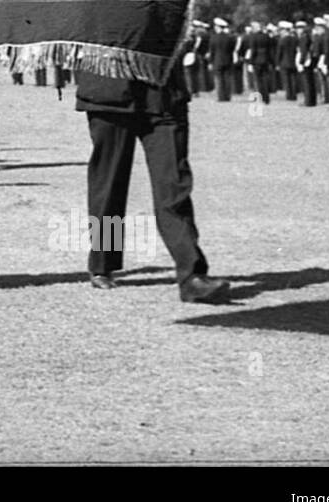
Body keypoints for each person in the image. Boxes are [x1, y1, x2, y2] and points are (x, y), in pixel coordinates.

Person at [74, 59, 230, 303]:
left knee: (174, 185)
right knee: (109, 185)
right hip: (110, 92)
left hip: (163, 94)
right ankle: (103, 263)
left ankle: (191, 275)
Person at [209, 18, 233, 102]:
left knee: (219, 79)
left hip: (217, 60)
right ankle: (227, 96)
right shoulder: (229, 37)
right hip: (228, 60)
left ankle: (221, 97)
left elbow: (212, 51)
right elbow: (231, 49)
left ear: (218, 27)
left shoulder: (213, 38)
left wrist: (210, 62)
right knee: (227, 79)